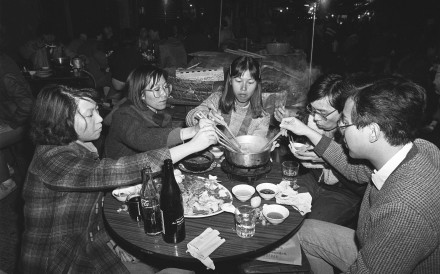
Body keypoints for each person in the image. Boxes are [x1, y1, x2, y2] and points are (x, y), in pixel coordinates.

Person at [20, 85, 217, 273]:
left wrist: (111, 243)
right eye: (90, 115)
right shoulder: (51, 159)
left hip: (90, 243)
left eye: (97, 110)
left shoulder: (79, 145)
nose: (99, 119)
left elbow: (91, 208)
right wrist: (191, 146)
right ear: (62, 121)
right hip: (59, 261)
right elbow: (115, 170)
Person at [280, 76, 440, 273]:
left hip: (382, 260)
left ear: (373, 132)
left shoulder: (402, 210)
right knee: (305, 231)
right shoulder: (415, 148)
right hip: (375, 244)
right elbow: (354, 169)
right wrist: (307, 131)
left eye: (345, 123)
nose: (340, 129)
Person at [275, 74, 369, 227]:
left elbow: (361, 182)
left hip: (342, 192)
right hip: (313, 179)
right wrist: (288, 125)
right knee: (281, 207)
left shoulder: (355, 135)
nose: (316, 118)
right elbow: (300, 125)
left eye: (323, 113)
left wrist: (327, 161)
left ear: (344, 109)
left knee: (311, 228)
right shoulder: (312, 119)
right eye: (313, 110)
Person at [105, 65, 215, 159]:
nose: (164, 94)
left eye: (165, 87)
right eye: (157, 89)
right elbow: (145, 138)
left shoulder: (160, 113)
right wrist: (192, 131)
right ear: (141, 94)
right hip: (121, 177)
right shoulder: (123, 115)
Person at [186, 56, 270, 138]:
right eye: (238, 81)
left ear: (257, 84)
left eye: (250, 82)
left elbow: (255, 146)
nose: (243, 88)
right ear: (230, 80)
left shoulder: (261, 117)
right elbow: (189, 118)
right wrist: (207, 116)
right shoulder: (217, 99)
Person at [0, 50, 35, 200]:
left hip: (23, 121)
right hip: (10, 117)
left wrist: (13, 125)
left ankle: (6, 183)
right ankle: (6, 169)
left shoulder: (5, 74)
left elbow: (28, 105)